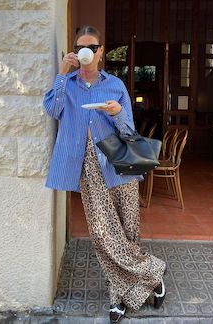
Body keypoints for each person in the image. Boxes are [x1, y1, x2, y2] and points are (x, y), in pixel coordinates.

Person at [43, 26, 166, 324]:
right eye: (79, 46)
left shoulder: (115, 85)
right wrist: (61, 71)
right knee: (102, 235)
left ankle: (119, 298)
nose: (85, 51)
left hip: (119, 167)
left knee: (127, 232)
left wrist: (116, 113)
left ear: (100, 51)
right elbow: (53, 109)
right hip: (88, 170)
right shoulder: (67, 84)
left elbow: (129, 131)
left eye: (91, 46)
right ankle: (153, 273)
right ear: (75, 51)